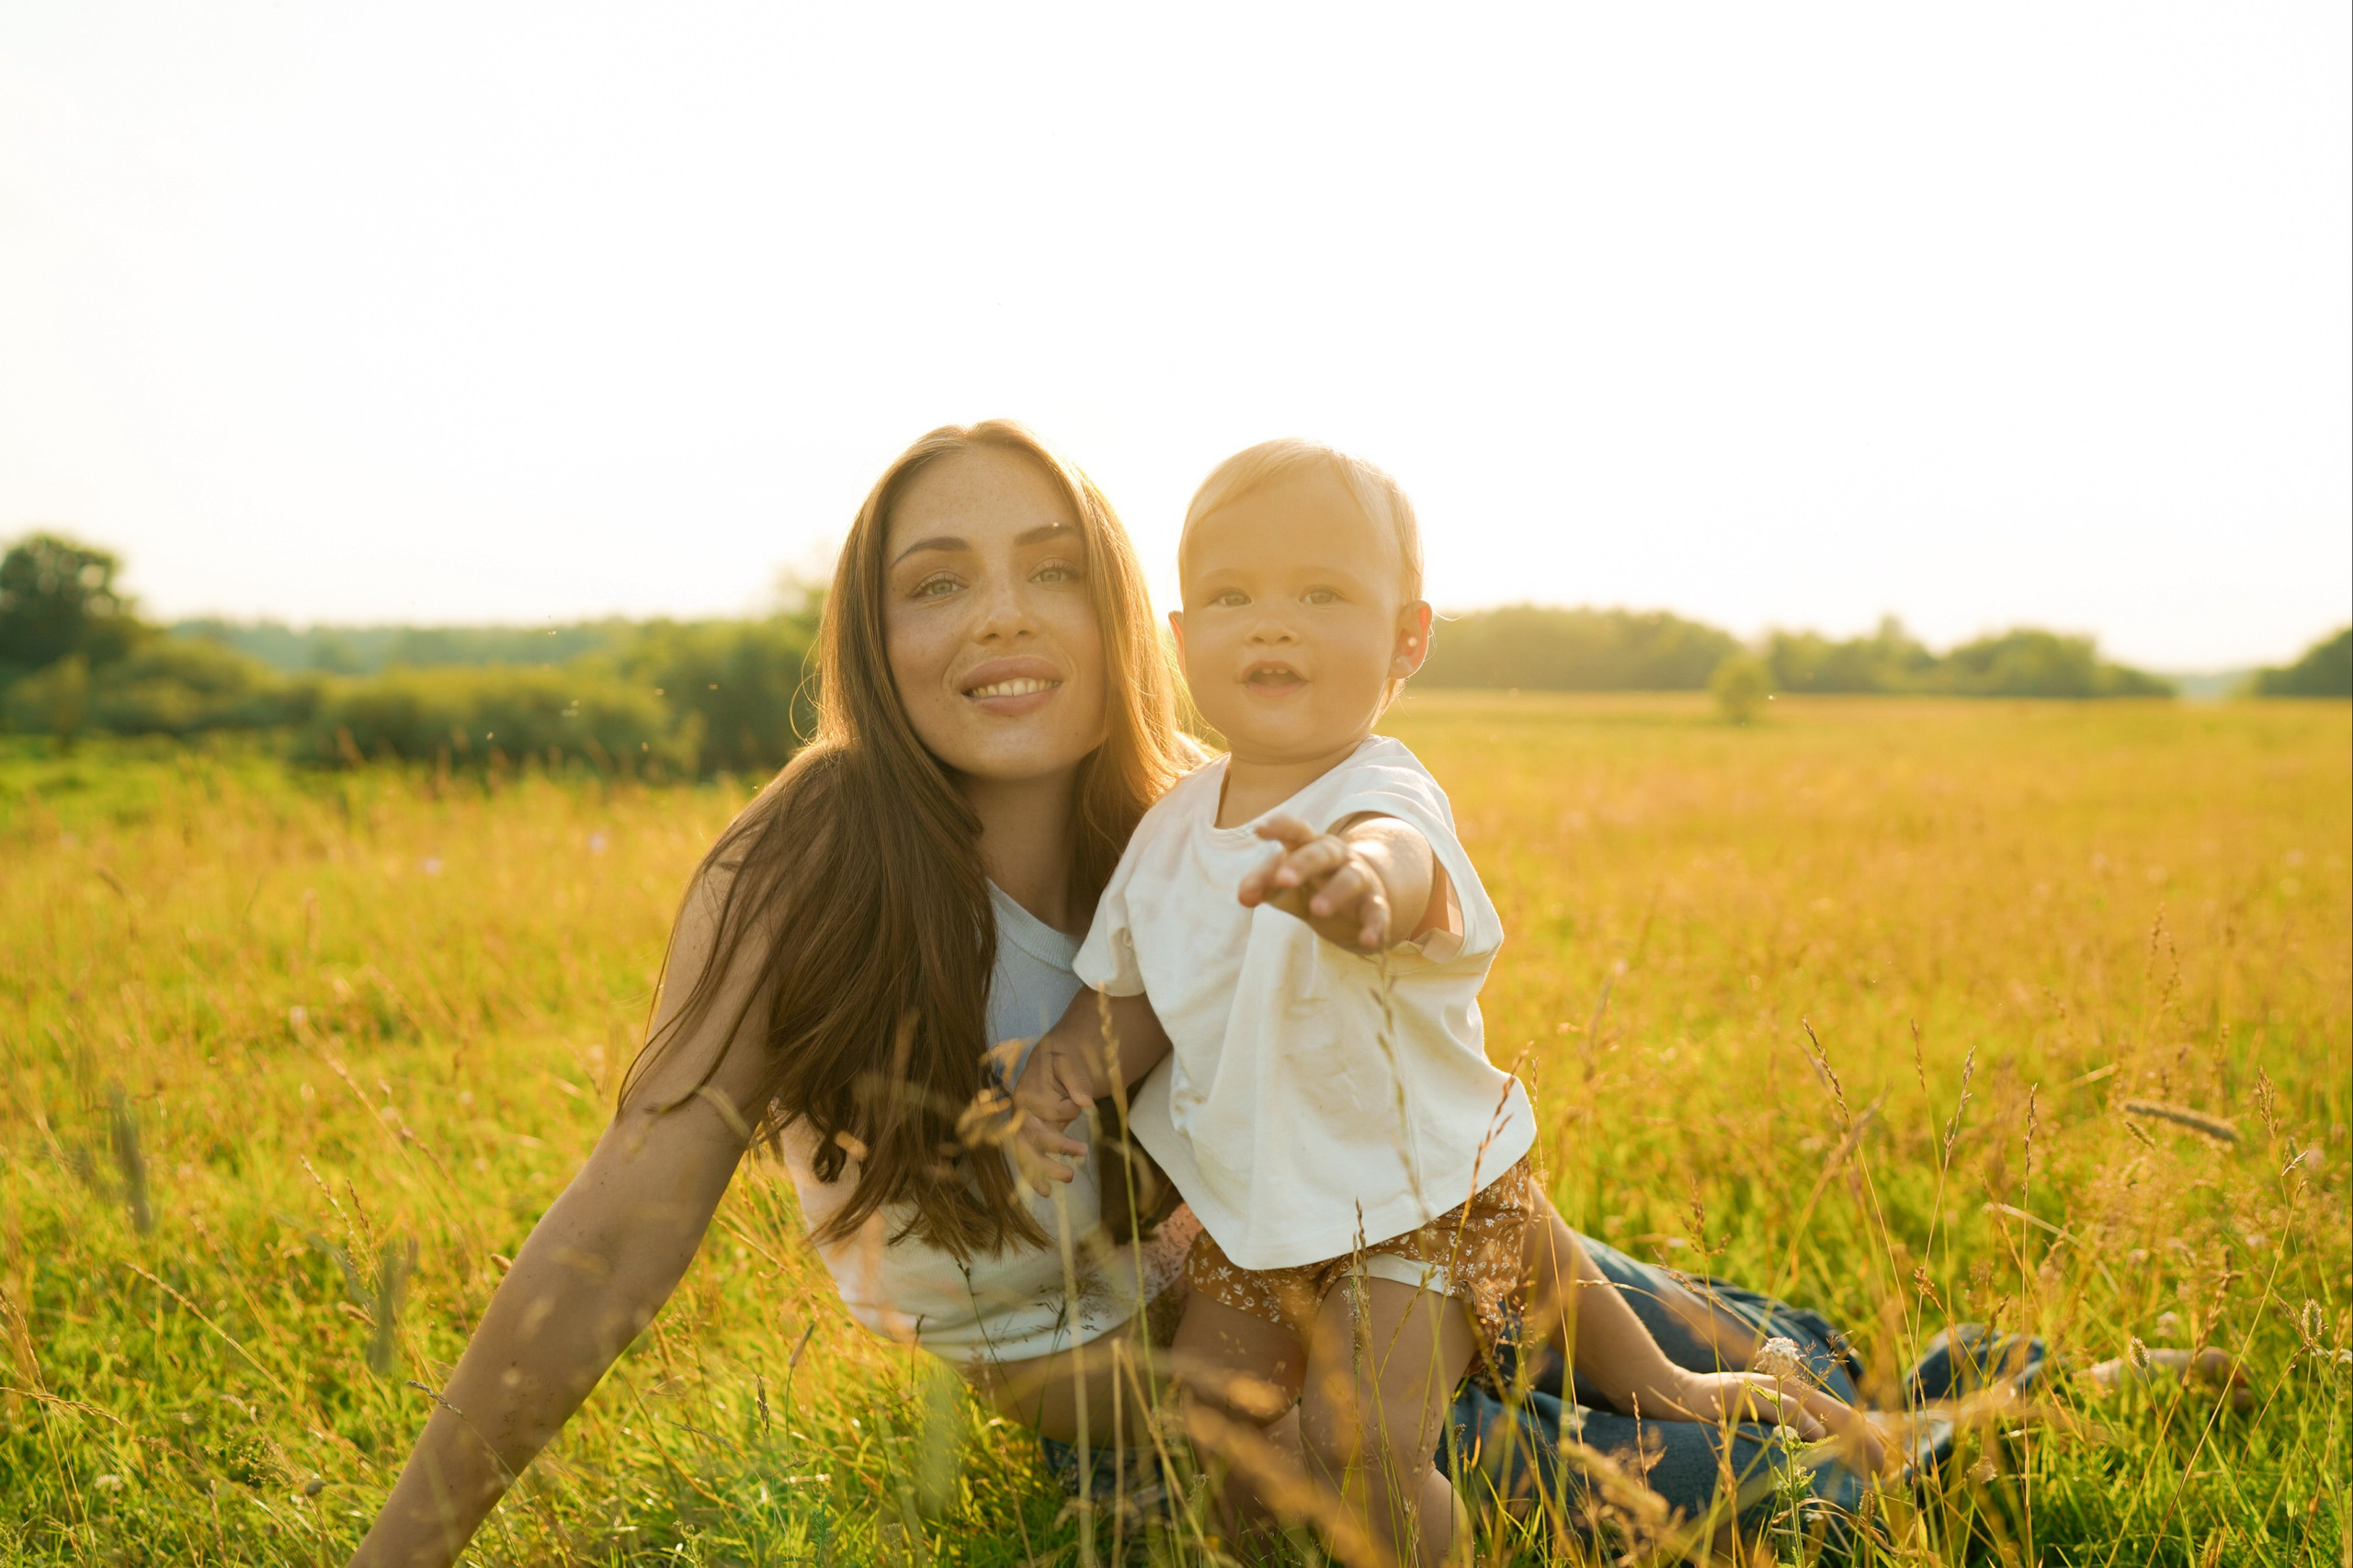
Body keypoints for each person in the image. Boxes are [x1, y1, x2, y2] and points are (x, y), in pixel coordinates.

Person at [1009, 439, 1884, 1565]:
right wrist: (1062, 1072)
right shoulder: (1173, 828)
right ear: (1181, 641)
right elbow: (1139, 995)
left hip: (1413, 1202)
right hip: (1260, 1208)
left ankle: (1677, 1413)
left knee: (1363, 1436)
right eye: (1231, 596)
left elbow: (1405, 859)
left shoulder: (1377, 787)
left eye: (1321, 593)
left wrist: (1359, 884)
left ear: (1405, 639)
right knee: (1214, 1420)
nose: (1271, 624)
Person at [351, 420, 1203, 1566]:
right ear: (873, 637)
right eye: (938, 582)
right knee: (1504, 1460)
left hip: (1351, 1323)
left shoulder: (1202, 828)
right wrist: (396, 1556)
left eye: (1055, 568)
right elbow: (621, 1217)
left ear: (1122, 613)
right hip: (1164, 1425)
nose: (1003, 611)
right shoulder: (823, 849)